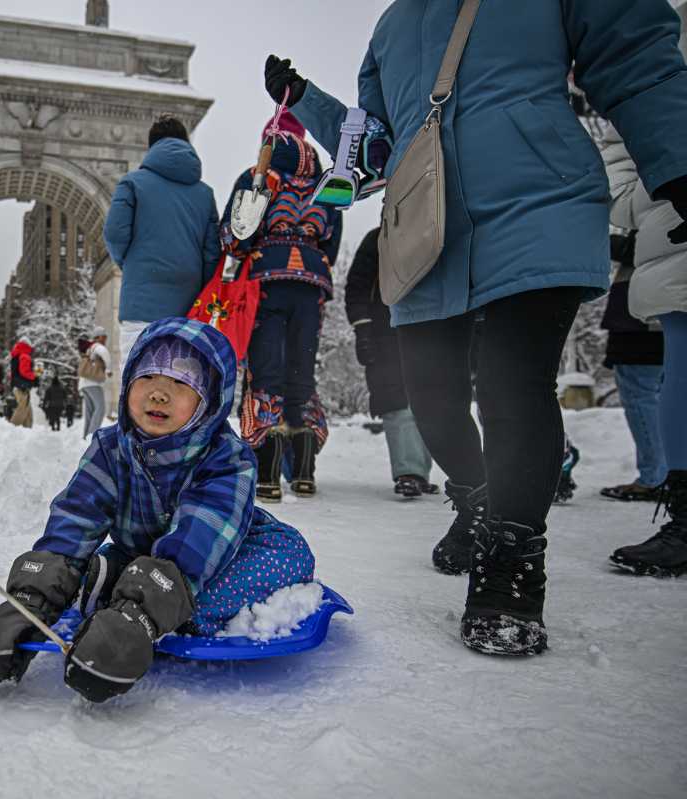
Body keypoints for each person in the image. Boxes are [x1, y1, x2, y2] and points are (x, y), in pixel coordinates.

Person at [265, 0, 687, 654]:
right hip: (426, 226)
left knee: (513, 382)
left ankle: (511, 560)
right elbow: (373, 144)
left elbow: (632, 52)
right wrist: (304, 100)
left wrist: (678, 161)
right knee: (428, 395)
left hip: (535, 201)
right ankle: (476, 501)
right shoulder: (392, 25)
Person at [0, 318, 315, 702]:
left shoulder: (226, 458)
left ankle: (135, 605)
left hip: (217, 554)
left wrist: (140, 615)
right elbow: (75, 519)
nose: (159, 394)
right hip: (141, 553)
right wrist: (31, 599)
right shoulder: (110, 448)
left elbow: (201, 536)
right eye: (148, 377)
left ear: (210, 402)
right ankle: (129, 592)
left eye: (181, 383)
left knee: (290, 552)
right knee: (86, 561)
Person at [220, 105, 341, 501]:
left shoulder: (259, 175)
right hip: (311, 284)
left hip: (266, 282)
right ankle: (304, 473)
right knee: (301, 374)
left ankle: (268, 476)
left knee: (265, 371)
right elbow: (332, 241)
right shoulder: (324, 181)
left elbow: (235, 236)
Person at [602, 121, 687, 576]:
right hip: (670, 257)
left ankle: (656, 477)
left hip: (657, 275)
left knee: (645, 386)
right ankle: (676, 500)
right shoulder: (662, 60)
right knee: (674, 375)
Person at [104, 115, 220, 367]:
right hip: (188, 310)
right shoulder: (205, 194)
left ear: (152, 146)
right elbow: (212, 255)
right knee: (179, 388)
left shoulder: (132, 183)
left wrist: (132, 264)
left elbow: (114, 234)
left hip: (140, 305)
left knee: (139, 385)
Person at [345, 228, 437, 498]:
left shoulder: (436, 232)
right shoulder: (378, 239)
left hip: (430, 325)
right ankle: (410, 471)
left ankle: (420, 469)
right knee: (393, 396)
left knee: (431, 399)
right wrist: (362, 328)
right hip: (385, 328)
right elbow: (357, 286)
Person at [599, 232, 666, 502]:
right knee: (661, 395)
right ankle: (665, 475)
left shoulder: (665, 201)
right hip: (656, 308)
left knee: (640, 394)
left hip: (645, 314)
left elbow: (647, 244)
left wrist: (603, 239)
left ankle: (656, 478)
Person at [77, 326, 110, 439]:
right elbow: (105, 353)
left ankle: (85, 437)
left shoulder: (89, 348)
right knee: (101, 409)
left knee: (90, 412)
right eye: (104, 337)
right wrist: (108, 370)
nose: (105, 339)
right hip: (93, 383)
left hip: (84, 384)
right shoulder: (97, 346)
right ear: (98, 337)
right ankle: (91, 437)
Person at [8, 336, 38, 428]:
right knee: (22, 409)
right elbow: (24, 371)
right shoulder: (24, 355)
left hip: (18, 385)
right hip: (22, 386)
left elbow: (13, 373)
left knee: (28, 411)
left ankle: (27, 431)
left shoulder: (16, 355)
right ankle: (11, 429)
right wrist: (35, 375)